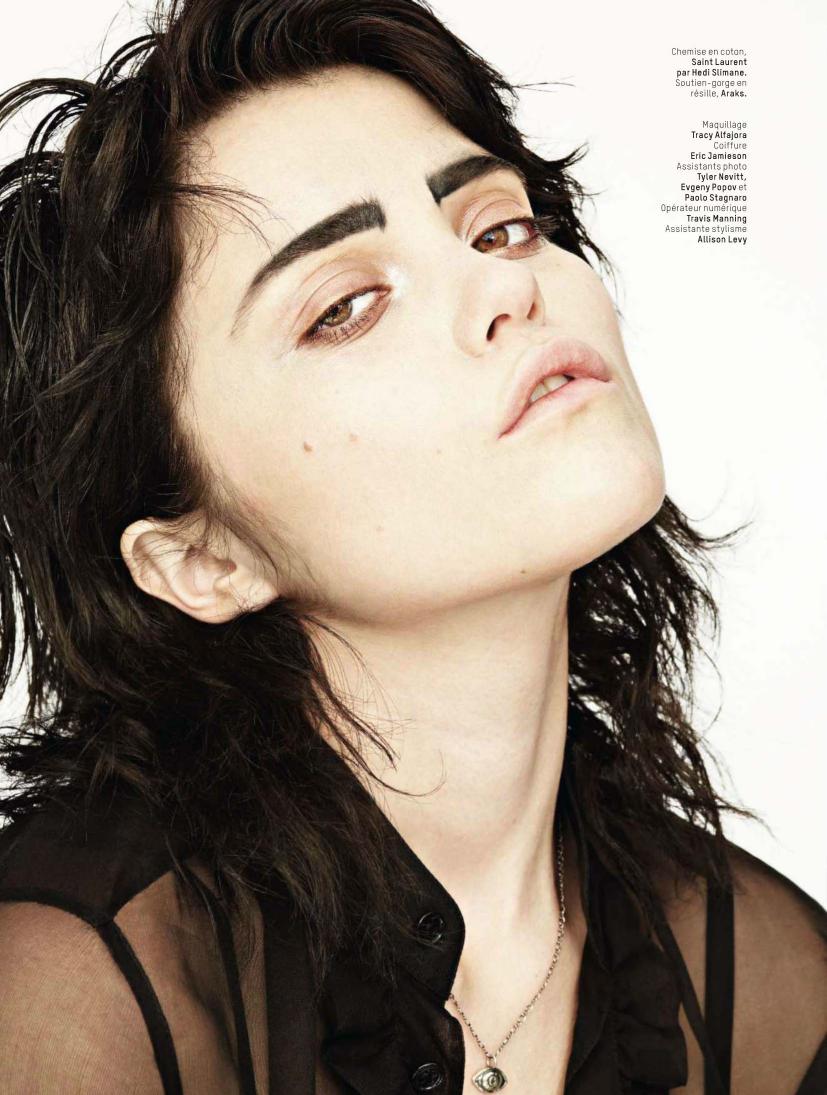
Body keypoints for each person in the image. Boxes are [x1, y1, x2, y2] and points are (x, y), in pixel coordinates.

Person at [0, 0, 824, 1092]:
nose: (507, 286)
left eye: (499, 226)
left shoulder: (763, 985)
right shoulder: (68, 986)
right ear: (205, 559)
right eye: (346, 305)